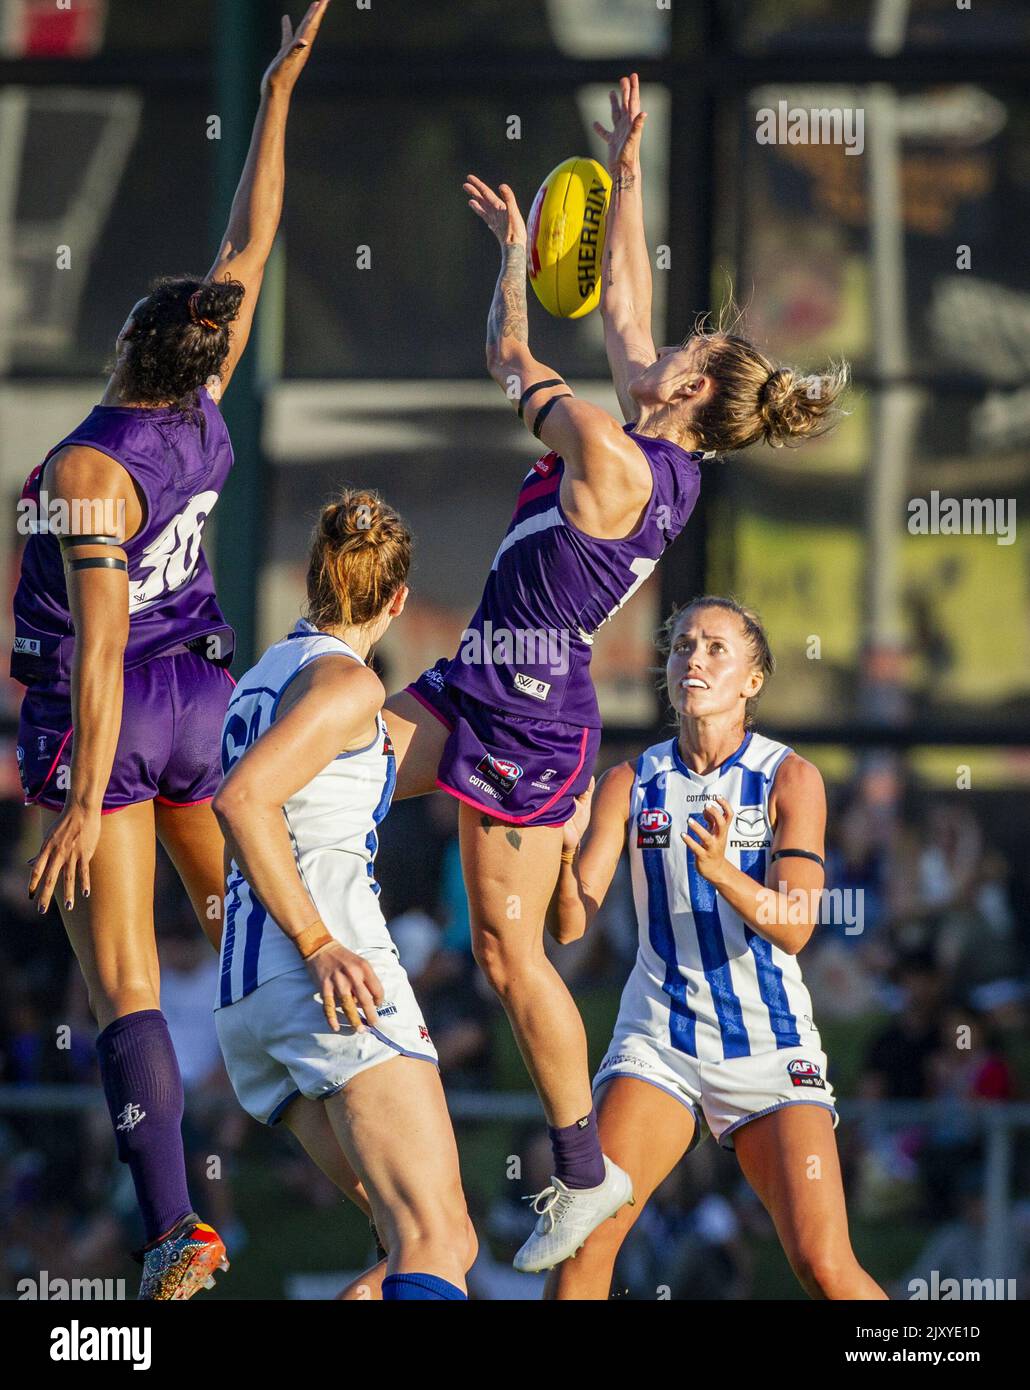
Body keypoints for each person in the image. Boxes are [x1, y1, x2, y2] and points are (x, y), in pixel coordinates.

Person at [380, 73, 847, 1272]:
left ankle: (577, 1170)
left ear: (685, 395)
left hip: (533, 717)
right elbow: (629, 311)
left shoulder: (610, 452)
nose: (656, 347)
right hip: (486, 669)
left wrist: (513, 257)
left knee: (505, 952)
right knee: (320, 774)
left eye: (681, 354)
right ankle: (315, 986)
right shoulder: (654, 435)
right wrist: (627, 172)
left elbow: (506, 352)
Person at [13, 3, 331, 1298]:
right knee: (242, 934)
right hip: (209, 695)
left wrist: (84, 802)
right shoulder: (207, 400)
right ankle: (343, 1115)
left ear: (128, 340)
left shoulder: (89, 465)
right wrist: (280, 84)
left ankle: (174, 1229)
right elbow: (253, 234)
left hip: (121, 711)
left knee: (123, 985)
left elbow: (92, 651)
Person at [545, 596, 886, 1299]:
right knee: (582, 1248)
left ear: (751, 682)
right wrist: (559, 855)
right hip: (659, 1041)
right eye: (681, 647)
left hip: (768, 1042)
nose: (693, 659)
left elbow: (795, 925)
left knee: (823, 1266)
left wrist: (725, 873)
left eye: (714, 648)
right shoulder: (629, 781)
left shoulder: (789, 778)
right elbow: (571, 925)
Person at [212, 490, 475, 1302]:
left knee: (433, 1241)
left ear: (311, 581)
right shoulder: (347, 684)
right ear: (397, 601)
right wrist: (320, 943)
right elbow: (242, 802)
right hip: (329, 976)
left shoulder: (263, 676)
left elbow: (327, 785)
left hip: (252, 994)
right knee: (433, 1235)